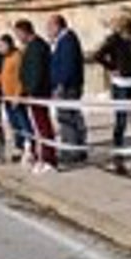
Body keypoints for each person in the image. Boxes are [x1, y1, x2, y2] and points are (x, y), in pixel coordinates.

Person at [94, 9, 131, 174]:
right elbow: (98, 55)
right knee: (121, 121)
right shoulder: (114, 40)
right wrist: (112, 68)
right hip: (121, 84)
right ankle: (119, 158)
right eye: (129, 26)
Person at [14, 19, 57, 172]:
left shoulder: (38, 47)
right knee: (39, 127)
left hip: (38, 92)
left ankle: (49, 159)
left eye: (18, 34)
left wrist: (30, 90)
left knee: (44, 126)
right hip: (32, 92)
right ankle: (43, 156)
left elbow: (37, 72)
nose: (18, 38)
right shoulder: (31, 47)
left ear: (25, 31)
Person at [47, 15, 88, 165]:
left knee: (67, 119)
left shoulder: (67, 40)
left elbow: (67, 66)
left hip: (67, 87)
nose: (48, 31)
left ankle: (71, 151)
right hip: (66, 86)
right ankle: (77, 148)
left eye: (49, 27)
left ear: (57, 26)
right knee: (72, 117)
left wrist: (61, 84)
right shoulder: (61, 41)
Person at [0, 34, 31, 161]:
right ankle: (19, 147)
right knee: (14, 125)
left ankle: (30, 146)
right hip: (7, 97)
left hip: (16, 97)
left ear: (9, 44)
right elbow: (3, 76)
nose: (0, 49)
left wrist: (18, 95)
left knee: (23, 123)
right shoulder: (6, 58)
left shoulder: (17, 57)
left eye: (2, 46)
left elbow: (21, 78)